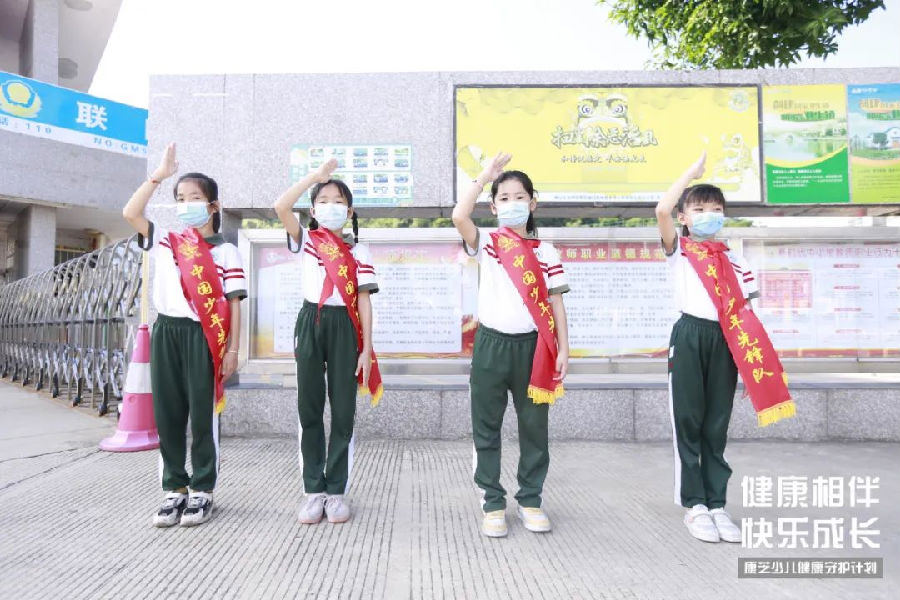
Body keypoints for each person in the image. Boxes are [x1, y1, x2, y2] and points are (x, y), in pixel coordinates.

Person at [655, 152, 794, 543]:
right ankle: (694, 505)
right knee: (688, 421)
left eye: (715, 209)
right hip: (689, 336)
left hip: (728, 341)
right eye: (699, 209)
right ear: (685, 217)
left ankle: (717, 504)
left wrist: (754, 365)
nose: (708, 215)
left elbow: (746, 314)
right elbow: (662, 209)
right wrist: (690, 173)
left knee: (716, 424)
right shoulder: (680, 251)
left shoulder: (736, 261)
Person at [122, 142, 247, 527]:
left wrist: (232, 350)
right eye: (180, 198)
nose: (186, 204)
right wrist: (158, 176)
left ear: (213, 205)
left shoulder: (225, 252)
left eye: (194, 198)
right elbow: (130, 213)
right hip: (167, 332)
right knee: (168, 413)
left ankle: (203, 489)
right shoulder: (166, 241)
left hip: (203, 337)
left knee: (203, 415)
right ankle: (174, 489)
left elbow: (235, 304)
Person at [452, 152, 570, 538]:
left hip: (535, 349)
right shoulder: (488, 242)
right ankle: (492, 502)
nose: (512, 203)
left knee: (534, 427)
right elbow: (459, 216)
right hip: (491, 345)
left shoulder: (546, 251)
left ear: (533, 203)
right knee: (486, 426)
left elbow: (556, 303)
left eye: (520, 197)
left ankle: (531, 500)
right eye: (504, 198)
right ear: (493, 206)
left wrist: (564, 349)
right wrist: (484, 176)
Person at [273, 157, 382, 525]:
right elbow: (281, 206)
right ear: (313, 210)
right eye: (323, 201)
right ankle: (313, 491)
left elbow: (364, 301)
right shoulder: (306, 240)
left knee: (343, 409)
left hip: (345, 327)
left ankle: (336, 492)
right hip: (311, 321)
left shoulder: (359, 252)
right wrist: (314, 178)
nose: (331, 207)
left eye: (338, 202)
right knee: (309, 408)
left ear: (349, 212)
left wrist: (366, 349)